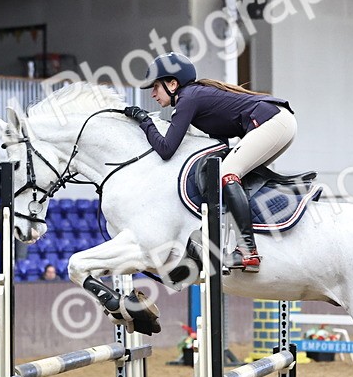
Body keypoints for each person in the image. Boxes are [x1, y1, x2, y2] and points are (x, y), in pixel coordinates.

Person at [122, 52, 296, 273]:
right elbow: (219, 145)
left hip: (272, 121)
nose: (153, 94)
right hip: (278, 121)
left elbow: (166, 149)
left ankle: (248, 251)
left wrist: (145, 121)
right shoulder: (194, 98)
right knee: (230, 176)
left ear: (173, 84)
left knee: (227, 174)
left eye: (156, 86)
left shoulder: (188, 98)